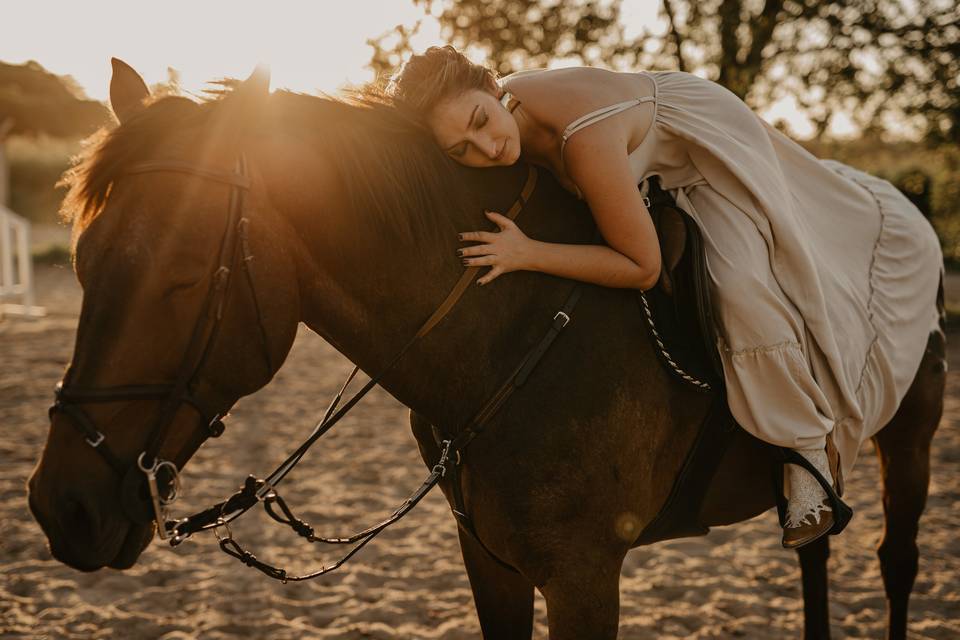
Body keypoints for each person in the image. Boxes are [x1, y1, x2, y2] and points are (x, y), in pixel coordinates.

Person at [386, 45, 943, 549]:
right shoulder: (502, 118)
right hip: (633, 142)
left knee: (743, 288)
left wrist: (526, 253)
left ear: (494, 85)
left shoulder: (585, 138)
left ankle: (806, 454)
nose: (487, 147)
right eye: (462, 148)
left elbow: (642, 267)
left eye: (482, 121)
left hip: (698, 147)